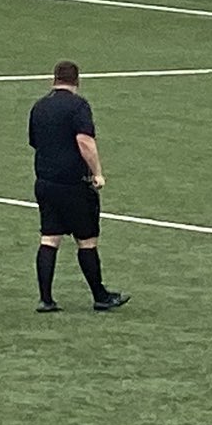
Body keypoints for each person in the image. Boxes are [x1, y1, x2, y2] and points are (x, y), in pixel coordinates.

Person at [28, 61, 127, 313]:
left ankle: (46, 298)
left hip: (45, 182)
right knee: (87, 241)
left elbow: (34, 141)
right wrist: (98, 173)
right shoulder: (78, 106)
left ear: (54, 79)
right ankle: (99, 295)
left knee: (49, 237)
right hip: (73, 185)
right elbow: (84, 141)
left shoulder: (39, 107)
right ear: (77, 81)